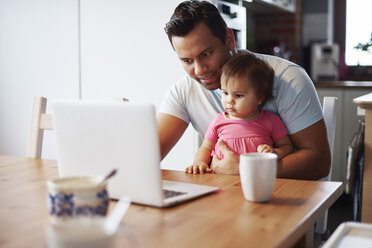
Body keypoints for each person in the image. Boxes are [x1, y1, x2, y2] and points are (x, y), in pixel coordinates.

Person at [158, 0, 330, 179]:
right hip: (224, 197)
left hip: (282, 196)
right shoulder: (184, 90)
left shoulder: (288, 78)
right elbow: (149, 154)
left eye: (207, 54)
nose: (200, 69)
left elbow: (320, 162)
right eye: (187, 61)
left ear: (229, 40)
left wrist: (246, 169)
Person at [185, 53, 293, 174]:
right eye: (225, 93)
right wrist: (200, 163)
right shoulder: (218, 121)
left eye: (239, 95)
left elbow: (287, 146)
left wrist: (275, 153)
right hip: (221, 181)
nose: (229, 100)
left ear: (260, 98)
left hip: (255, 182)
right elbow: (205, 147)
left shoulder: (270, 120)